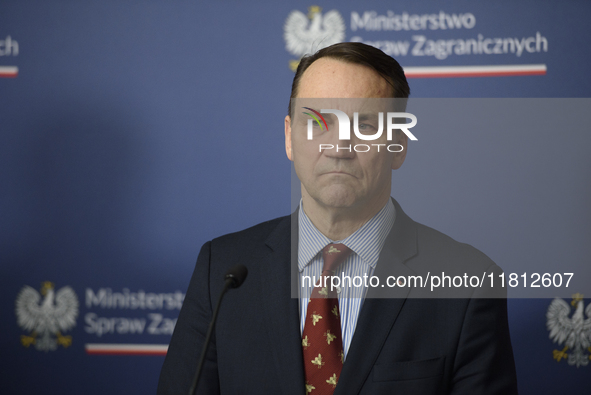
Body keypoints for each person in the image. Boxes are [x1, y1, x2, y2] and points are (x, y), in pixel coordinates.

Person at [157, 42, 518, 394]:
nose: (339, 147)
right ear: (289, 137)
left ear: (399, 145)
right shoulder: (221, 270)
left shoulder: (467, 284)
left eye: (364, 125)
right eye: (317, 121)